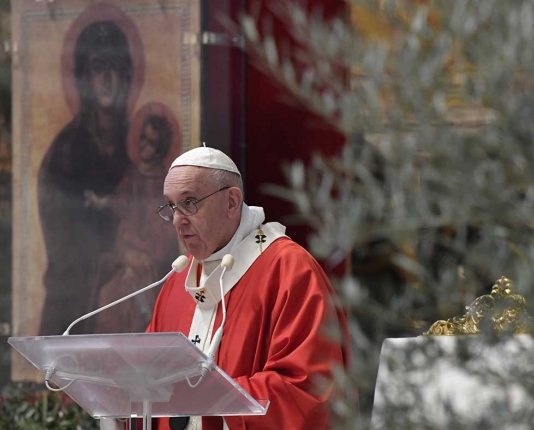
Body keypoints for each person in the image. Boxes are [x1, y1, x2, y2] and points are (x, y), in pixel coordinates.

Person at [103, 146, 351, 430]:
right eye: (170, 206)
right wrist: (123, 392)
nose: (177, 220)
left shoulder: (288, 269)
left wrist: (206, 398)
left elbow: (308, 388)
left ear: (232, 202)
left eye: (189, 203)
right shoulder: (177, 282)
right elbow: (149, 371)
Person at [38, 20, 133, 335]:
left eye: (115, 67)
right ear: (84, 78)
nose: (107, 78)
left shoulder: (137, 142)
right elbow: (65, 242)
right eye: (97, 67)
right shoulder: (67, 150)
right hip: (76, 302)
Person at [85, 114, 180, 333]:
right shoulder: (132, 177)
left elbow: (165, 232)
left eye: (152, 142)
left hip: (148, 263)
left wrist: (139, 257)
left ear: (160, 148)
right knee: (107, 297)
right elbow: (121, 203)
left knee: (136, 306)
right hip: (126, 254)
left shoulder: (166, 185)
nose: (145, 146)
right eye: (143, 139)